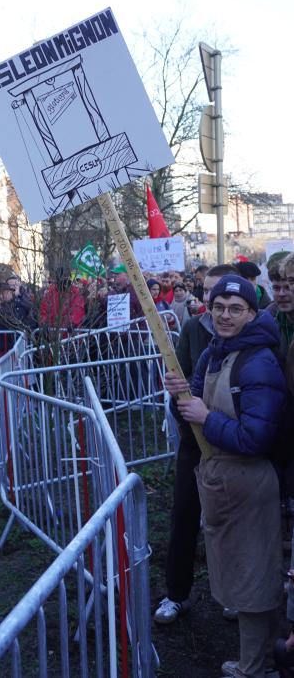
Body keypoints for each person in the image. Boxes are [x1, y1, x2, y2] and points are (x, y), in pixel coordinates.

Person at [166, 274, 287, 678]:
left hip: (250, 483)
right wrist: (180, 397)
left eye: (236, 309)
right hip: (221, 479)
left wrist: (206, 416)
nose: (225, 315)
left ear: (252, 313)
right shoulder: (213, 353)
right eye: (219, 307)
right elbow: (192, 420)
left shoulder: (260, 361)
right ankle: (268, 655)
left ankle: (254, 668)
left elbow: (256, 436)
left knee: (253, 577)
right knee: (239, 572)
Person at [153, 264, 238, 625]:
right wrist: (178, 397)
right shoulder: (191, 328)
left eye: (220, 294)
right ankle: (177, 593)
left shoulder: (249, 336)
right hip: (193, 442)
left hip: (234, 442)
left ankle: (236, 594)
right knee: (184, 516)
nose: (213, 302)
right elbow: (183, 375)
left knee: (233, 522)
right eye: (206, 293)